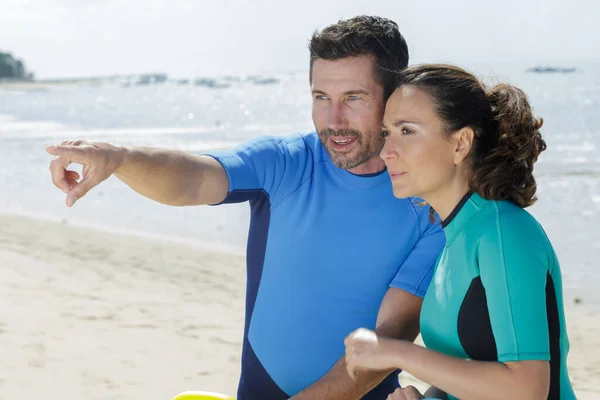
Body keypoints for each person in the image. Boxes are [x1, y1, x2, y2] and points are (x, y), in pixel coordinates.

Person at [46, 16, 445, 400]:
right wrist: (122, 159)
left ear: (394, 98)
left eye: (353, 98)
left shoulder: (428, 205)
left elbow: (389, 338)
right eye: (321, 97)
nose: (333, 120)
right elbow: (192, 178)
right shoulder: (286, 163)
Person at [344, 64, 577, 400]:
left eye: (406, 131)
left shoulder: (502, 232)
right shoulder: (454, 235)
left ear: (461, 143)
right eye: (386, 133)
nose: (386, 151)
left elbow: (527, 389)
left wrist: (396, 352)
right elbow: (471, 367)